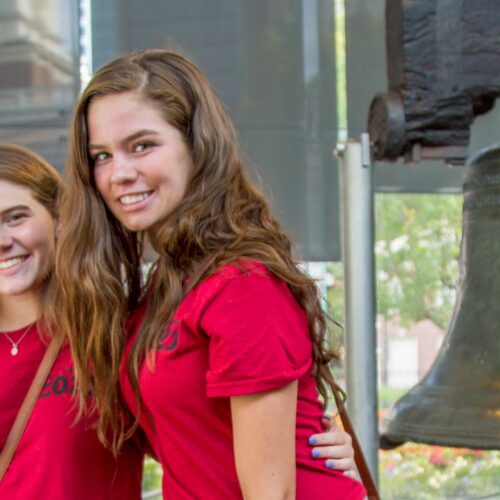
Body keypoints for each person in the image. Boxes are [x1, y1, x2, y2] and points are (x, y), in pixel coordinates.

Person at [55, 49, 366, 498]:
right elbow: (192, 446)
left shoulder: (242, 283)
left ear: (197, 146)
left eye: (142, 145)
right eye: (100, 155)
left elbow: (270, 495)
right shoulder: (166, 288)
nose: (118, 173)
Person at [0, 144, 144, 498]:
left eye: (16, 217)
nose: (3, 242)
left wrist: (302, 443)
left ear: (60, 219)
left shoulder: (112, 331)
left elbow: (201, 433)